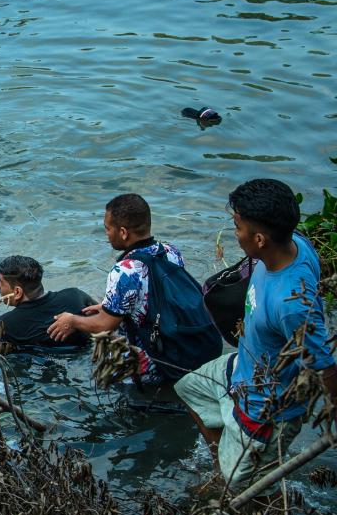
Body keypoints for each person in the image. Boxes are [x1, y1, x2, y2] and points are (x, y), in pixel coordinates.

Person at [175, 179, 336, 487]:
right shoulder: (296, 243)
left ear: (260, 239)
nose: (234, 235)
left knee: (243, 491)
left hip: (264, 406)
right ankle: (223, 465)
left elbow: (324, 365)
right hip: (240, 367)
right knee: (188, 389)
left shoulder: (291, 305)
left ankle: (247, 489)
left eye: (237, 227)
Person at [47, 194, 185, 385]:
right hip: (176, 343)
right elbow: (153, 295)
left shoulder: (124, 270)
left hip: (151, 360)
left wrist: (72, 321)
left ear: (123, 232)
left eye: (107, 228)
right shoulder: (170, 252)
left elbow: (105, 325)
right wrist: (107, 306)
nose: (106, 234)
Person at [0, 255, 96, 349]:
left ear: (17, 292)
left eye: (1, 281)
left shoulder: (4, 325)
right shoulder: (75, 295)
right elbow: (104, 316)